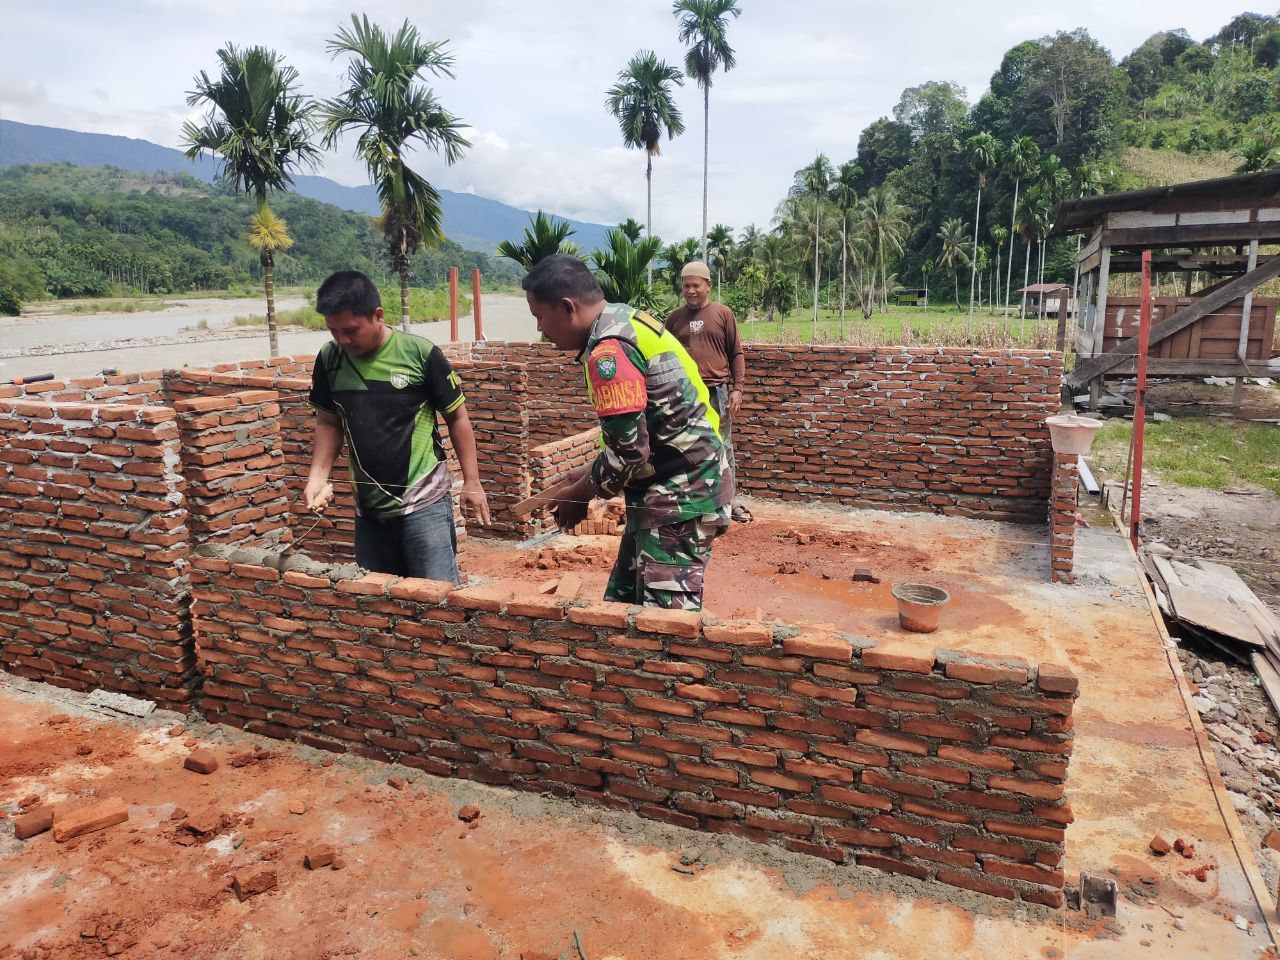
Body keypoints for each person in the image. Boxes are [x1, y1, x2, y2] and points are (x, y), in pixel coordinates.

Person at [522, 254, 731, 610]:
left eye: (540, 317)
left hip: (680, 498)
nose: (541, 330)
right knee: (623, 604)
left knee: (663, 624)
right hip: (670, 488)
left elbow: (629, 454)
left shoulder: (609, 352)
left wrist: (580, 495)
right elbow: (640, 432)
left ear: (567, 307)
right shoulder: (624, 318)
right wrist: (586, 471)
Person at [304, 270, 490, 582]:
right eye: (334, 331)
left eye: (351, 330)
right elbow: (328, 422)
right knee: (376, 599)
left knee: (435, 596)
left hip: (424, 502)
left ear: (378, 315)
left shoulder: (419, 354)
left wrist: (472, 482)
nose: (343, 340)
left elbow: (457, 417)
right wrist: (317, 477)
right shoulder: (329, 359)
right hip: (368, 510)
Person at [664, 260, 752, 522]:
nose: (691, 291)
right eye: (686, 286)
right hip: (685, 394)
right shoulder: (674, 319)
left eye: (696, 285)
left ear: (708, 286)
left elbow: (736, 353)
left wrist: (738, 389)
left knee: (721, 444)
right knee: (684, 444)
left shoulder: (723, 314)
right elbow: (665, 356)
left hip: (717, 392)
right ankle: (692, 502)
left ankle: (729, 502)